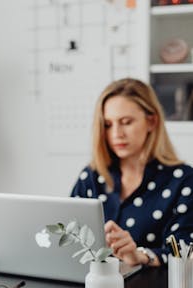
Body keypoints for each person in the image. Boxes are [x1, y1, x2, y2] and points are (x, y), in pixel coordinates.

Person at [71, 78, 193, 267]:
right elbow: (68, 237)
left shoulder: (183, 180)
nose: (116, 134)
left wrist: (139, 255)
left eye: (126, 122)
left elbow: (184, 251)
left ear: (151, 122)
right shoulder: (92, 176)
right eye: (108, 124)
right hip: (95, 287)